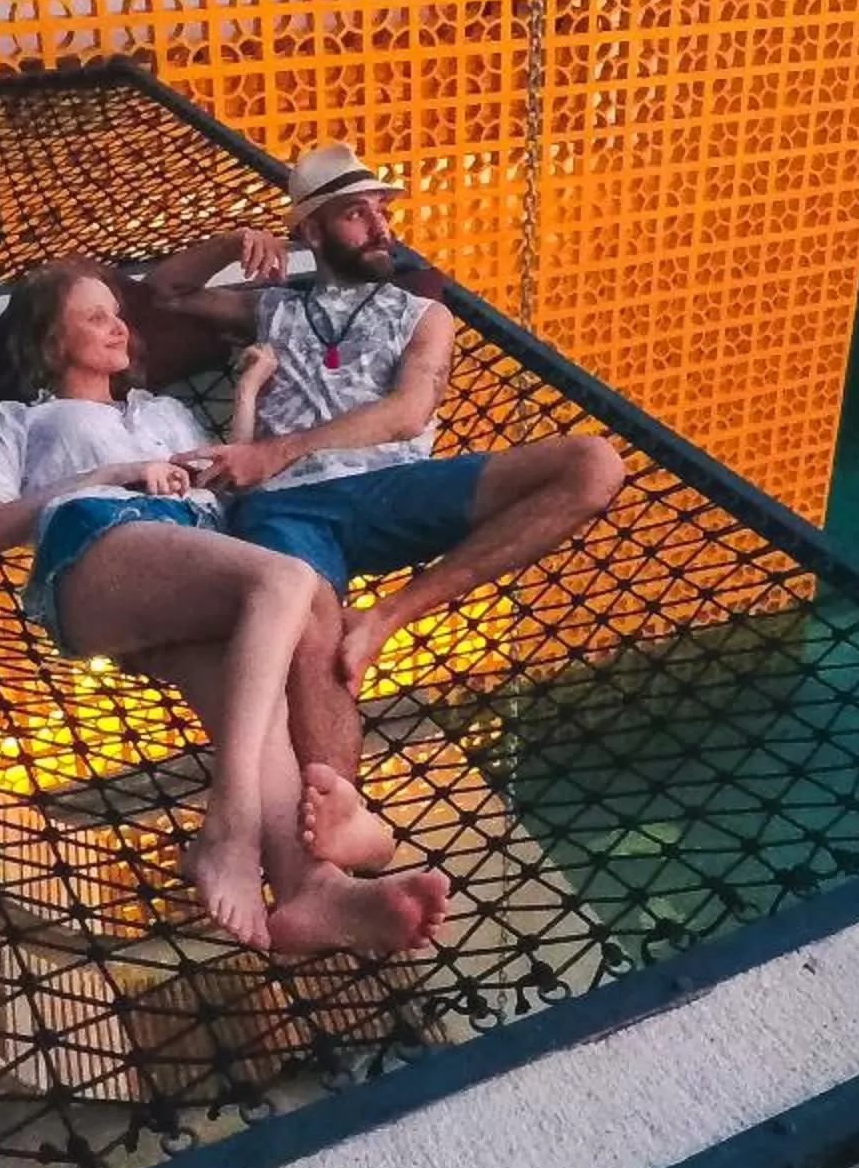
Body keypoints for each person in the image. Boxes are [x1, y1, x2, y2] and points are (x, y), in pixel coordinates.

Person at [0, 260, 447, 957]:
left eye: (117, 314)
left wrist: (248, 393)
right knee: (285, 581)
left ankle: (311, 890)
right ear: (52, 341)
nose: (116, 326)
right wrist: (113, 473)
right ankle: (229, 825)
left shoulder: (163, 412)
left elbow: (227, 482)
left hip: (191, 563)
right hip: (97, 546)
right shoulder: (20, 419)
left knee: (258, 710)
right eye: (94, 316)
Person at [146, 145, 630, 733]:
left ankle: (385, 618)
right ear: (313, 231)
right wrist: (233, 243)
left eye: (383, 211)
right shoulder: (272, 311)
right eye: (358, 213)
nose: (381, 228)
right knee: (309, 641)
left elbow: (409, 412)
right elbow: (163, 293)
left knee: (593, 464)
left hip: (392, 487)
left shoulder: (421, 314)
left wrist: (277, 450)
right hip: (287, 507)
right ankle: (328, 788)